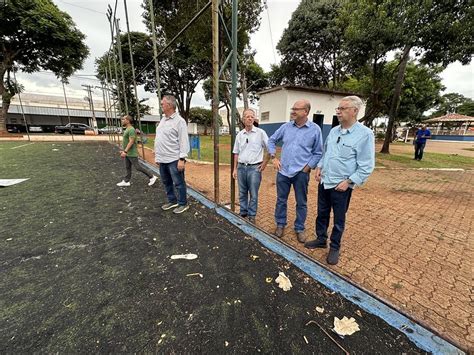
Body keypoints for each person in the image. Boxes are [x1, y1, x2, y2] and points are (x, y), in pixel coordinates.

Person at [304, 96, 375, 265]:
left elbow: (366, 165)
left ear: (355, 111)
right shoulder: (334, 131)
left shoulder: (365, 134)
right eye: (338, 108)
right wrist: (320, 167)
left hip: (341, 186)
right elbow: (326, 153)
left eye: (343, 108)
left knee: (339, 218)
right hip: (325, 182)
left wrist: (349, 182)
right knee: (322, 213)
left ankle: (334, 247)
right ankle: (321, 239)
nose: (338, 111)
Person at [268, 99, 323, 243]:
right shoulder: (286, 127)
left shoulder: (315, 129)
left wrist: (307, 167)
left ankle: (299, 228)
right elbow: (271, 140)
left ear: (306, 112)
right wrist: (274, 157)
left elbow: (318, 152)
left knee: (301, 202)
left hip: (301, 173)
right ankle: (280, 224)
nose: (292, 111)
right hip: (283, 171)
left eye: (296, 109)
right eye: (292, 108)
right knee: (281, 200)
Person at [154, 95, 190, 214]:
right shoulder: (163, 120)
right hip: (163, 159)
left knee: (179, 183)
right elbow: (159, 138)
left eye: (162, 104)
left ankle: (183, 203)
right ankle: (172, 200)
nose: (161, 106)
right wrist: (158, 156)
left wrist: (182, 159)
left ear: (169, 105)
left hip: (174, 159)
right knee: (166, 182)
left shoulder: (179, 121)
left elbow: (184, 141)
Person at [232, 108, 269, 223]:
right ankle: (243, 212)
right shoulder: (240, 135)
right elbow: (236, 153)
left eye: (252, 116)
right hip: (241, 167)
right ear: (243, 119)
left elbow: (269, 148)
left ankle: (252, 215)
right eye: (247, 116)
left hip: (254, 168)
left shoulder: (260, 133)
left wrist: (264, 164)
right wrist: (234, 169)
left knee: (253, 193)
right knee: (242, 192)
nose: (249, 118)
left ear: (254, 119)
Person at [117, 115, 158, 187]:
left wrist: (125, 151)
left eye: (123, 119)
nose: (122, 120)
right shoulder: (127, 129)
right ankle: (126, 181)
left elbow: (131, 141)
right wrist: (124, 151)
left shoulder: (131, 130)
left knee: (138, 167)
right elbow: (127, 141)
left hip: (131, 153)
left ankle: (152, 177)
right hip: (127, 153)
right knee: (128, 167)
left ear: (128, 121)